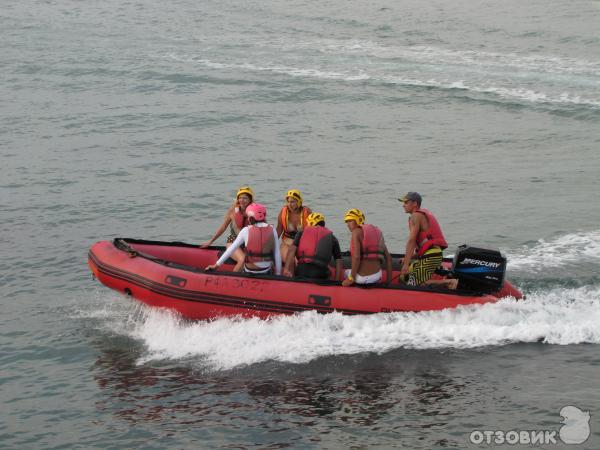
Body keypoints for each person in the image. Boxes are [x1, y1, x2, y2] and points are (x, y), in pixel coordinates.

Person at [398, 192, 458, 289]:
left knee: (413, 284)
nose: (403, 205)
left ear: (415, 204)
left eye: (406, 202)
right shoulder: (420, 215)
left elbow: (411, 241)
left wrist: (406, 264)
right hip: (432, 254)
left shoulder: (415, 216)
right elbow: (423, 247)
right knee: (403, 279)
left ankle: (449, 282)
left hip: (431, 255)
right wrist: (409, 258)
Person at [205, 203, 282, 275]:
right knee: (270, 263)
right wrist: (278, 274)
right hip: (265, 270)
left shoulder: (246, 230)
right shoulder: (272, 229)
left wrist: (216, 265)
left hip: (250, 269)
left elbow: (231, 249)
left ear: (251, 218)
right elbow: (277, 254)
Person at [200, 186, 254, 271]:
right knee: (242, 259)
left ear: (250, 200)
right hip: (233, 241)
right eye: (240, 198)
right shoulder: (233, 210)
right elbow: (223, 227)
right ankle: (234, 280)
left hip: (248, 243)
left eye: (245, 198)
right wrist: (211, 241)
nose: (242, 200)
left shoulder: (254, 211)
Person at [283, 212, 343, 280]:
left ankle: (294, 281)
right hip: (321, 273)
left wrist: (286, 269)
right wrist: (337, 281)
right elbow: (339, 261)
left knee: (294, 262)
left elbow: (291, 250)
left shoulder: (301, 233)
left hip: (302, 271)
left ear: (310, 223)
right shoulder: (332, 237)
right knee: (330, 272)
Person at [341, 209, 392, 287]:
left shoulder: (356, 232)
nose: (348, 224)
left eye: (350, 221)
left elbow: (356, 257)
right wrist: (389, 282)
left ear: (358, 220)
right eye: (347, 222)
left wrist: (351, 279)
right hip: (377, 276)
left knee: (344, 273)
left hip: (362, 279)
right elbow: (388, 258)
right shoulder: (377, 232)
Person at [276, 189, 312, 263]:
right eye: (288, 202)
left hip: (302, 243)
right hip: (287, 243)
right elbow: (278, 230)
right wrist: (272, 245)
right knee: (290, 260)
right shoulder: (283, 212)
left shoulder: (307, 212)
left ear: (299, 202)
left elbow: (313, 231)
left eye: (292, 202)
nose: (289, 204)